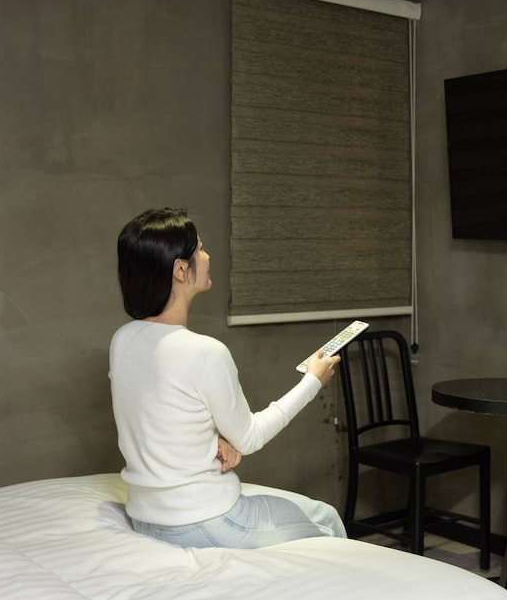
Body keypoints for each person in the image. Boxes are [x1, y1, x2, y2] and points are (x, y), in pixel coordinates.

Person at [109, 207, 347, 548]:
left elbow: (162, 415)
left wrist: (217, 440)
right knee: (328, 519)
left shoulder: (122, 340)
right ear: (180, 269)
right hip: (205, 520)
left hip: (147, 519)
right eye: (201, 249)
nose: (207, 257)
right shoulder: (206, 352)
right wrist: (312, 381)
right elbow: (250, 437)